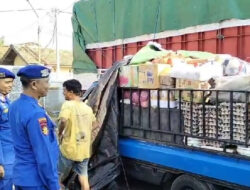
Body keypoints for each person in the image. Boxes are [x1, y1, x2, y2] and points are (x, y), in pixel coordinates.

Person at [8, 65, 60, 190]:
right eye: (46, 82)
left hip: (21, 176)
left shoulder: (14, 106)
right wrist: (53, 184)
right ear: (34, 85)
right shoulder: (36, 114)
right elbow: (44, 154)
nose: (48, 86)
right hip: (37, 180)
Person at [58, 79, 96, 190]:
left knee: (57, 177)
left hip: (69, 149)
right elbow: (95, 124)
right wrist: (84, 132)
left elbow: (64, 120)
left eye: (64, 90)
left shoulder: (68, 105)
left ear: (70, 92)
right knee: (84, 179)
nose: (63, 93)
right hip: (84, 150)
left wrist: (60, 133)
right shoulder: (87, 108)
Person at [0, 68, 15, 190]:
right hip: (3, 157)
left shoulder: (7, 101)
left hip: (11, 153)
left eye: (11, 82)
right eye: (7, 82)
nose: (10, 85)